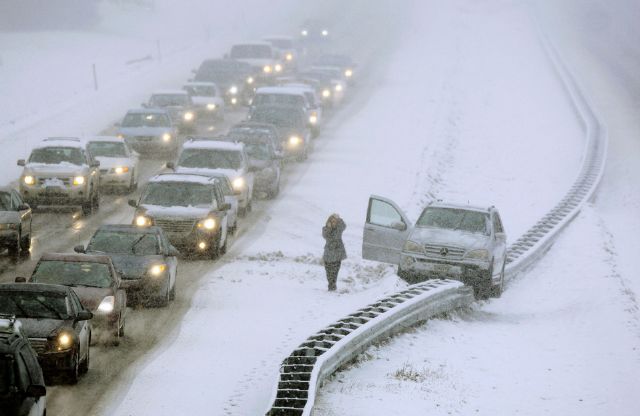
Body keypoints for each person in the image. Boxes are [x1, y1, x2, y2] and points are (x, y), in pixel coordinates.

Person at [322, 213, 346, 291]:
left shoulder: (339, 229)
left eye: (335, 221)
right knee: (328, 271)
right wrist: (329, 228)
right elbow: (325, 236)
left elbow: (343, 226)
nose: (333, 223)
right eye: (332, 221)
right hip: (328, 253)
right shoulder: (325, 229)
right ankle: (331, 285)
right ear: (329, 222)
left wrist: (339, 218)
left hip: (337, 253)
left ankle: (332, 286)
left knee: (335, 271)